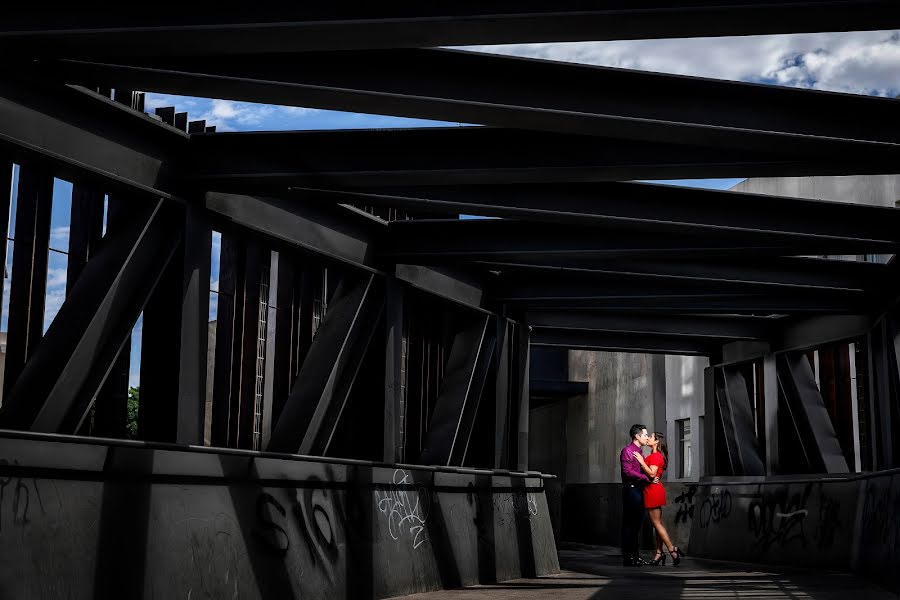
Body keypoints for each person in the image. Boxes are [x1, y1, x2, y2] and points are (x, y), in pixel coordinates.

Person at [634, 431, 685, 566]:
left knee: (656, 524)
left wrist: (640, 461)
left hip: (652, 491)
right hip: (652, 489)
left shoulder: (656, 456)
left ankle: (672, 550)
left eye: (650, 437)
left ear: (656, 442)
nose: (648, 438)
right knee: (658, 524)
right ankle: (659, 553)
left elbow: (652, 473)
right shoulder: (654, 455)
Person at [620, 424, 652, 566]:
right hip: (632, 490)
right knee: (630, 525)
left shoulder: (639, 452)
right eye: (645, 435)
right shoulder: (627, 451)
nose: (647, 437)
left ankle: (634, 556)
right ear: (637, 436)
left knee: (635, 525)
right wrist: (646, 478)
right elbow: (627, 472)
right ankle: (629, 557)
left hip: (638, 490)